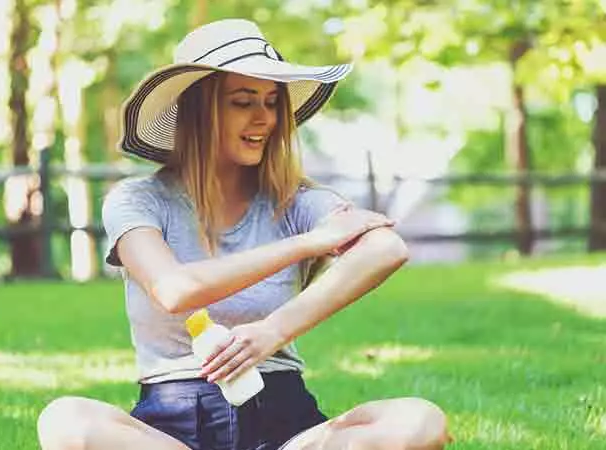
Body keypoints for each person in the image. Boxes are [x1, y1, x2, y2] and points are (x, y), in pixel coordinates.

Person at [36, 18, 450, 450]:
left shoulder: (297, 201)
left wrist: (273, 332)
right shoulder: (138, 199)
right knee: (65, 422)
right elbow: (174, 289)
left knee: (419, 422)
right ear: (199, 108)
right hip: (171, 430)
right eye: (242, 101)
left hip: (285, 423)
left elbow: (387, 247)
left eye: (272, 102)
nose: (264, 118)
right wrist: (309, 244)